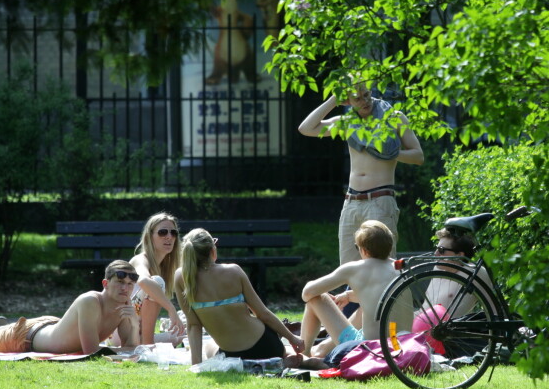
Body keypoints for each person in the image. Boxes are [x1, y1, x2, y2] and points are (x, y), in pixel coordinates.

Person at [298, 82, 424, 264]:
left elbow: (418, 156)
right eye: (358, 98)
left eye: (366, 94)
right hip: (351, 202)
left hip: (380, 200)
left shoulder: (393, 117)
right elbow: (306, 128)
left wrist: (391, 153)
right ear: (348, 101)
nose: (365, 101)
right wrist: (334, 100)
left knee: (383, 265)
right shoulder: (347, 123)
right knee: (349, 268)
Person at [174, 228, 305, 365]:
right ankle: (287, 358)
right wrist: (292, 338)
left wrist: (196, 365)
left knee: (209, 346)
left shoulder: (181, 278)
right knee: (214, 345)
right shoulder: (234, 271)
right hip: (267, 346)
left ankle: (278, 361)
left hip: (233, 355)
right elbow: (262, 313)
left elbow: (194, 325)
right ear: (212, 249)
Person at [0, 260, 140, 355]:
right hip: (26, 338)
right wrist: (126, 350)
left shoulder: (124, 306)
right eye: (120, 282)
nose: (125, 288)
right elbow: (91, 352)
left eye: (130, 284)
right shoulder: (90, 301)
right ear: (105, 283)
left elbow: (132, 347)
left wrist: (134, 323)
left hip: (50, 327)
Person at [299, 221, 400, 359]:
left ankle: (302, 354)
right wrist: (348, 295)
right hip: (397, 343)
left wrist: (310, 283)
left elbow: (307, 293)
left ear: (364, 249)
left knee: (316, 298)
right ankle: (320, 350)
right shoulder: (398, 268)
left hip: (366, 348)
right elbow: (378, 297)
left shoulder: (355, 268)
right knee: (366, 309)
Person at [109, 212, 186, 346]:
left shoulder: (166, 266)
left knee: (179, 335)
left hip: (136, 333)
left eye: (173, 233)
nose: (169, 237)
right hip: (122, 331)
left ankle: (144, 343)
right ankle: (147, 346)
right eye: (162, 232)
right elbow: (143, 280)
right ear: (150, 236)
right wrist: (171, 309)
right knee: (156, 282)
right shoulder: (140, 260)